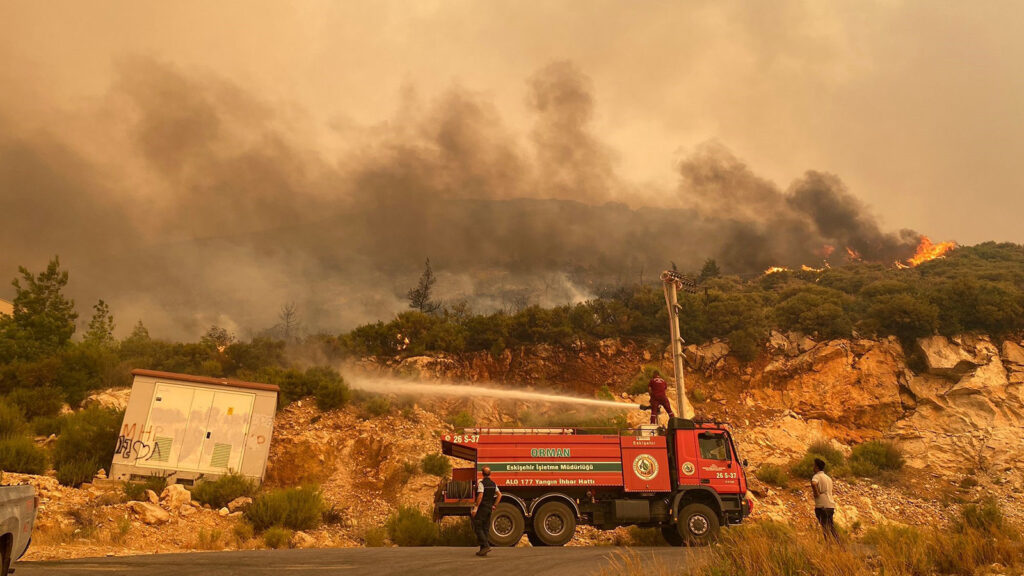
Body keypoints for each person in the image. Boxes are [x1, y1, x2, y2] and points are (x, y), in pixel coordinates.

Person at [472, 465, 502, 556]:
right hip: (489, 508)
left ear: (482, 473)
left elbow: (480, 496)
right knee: (485, 528)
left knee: (478, 527)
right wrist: (494, 505)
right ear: (490, 474)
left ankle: (485, 546)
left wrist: (476, 507)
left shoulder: (481, 483)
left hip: (482, 508)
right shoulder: (493, 484)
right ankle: (482, 550)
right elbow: (500, 495)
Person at [811, 458, 840, 543]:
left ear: (816, 467)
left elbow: (814, 483)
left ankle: (828, 546)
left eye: (814, 466)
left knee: (824, 527)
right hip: (830, 505)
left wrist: (816, 493)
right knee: (831, 527)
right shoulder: (828, 478)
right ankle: (840, 545)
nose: (813, 467)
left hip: (821, 505)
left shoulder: (816, 476)